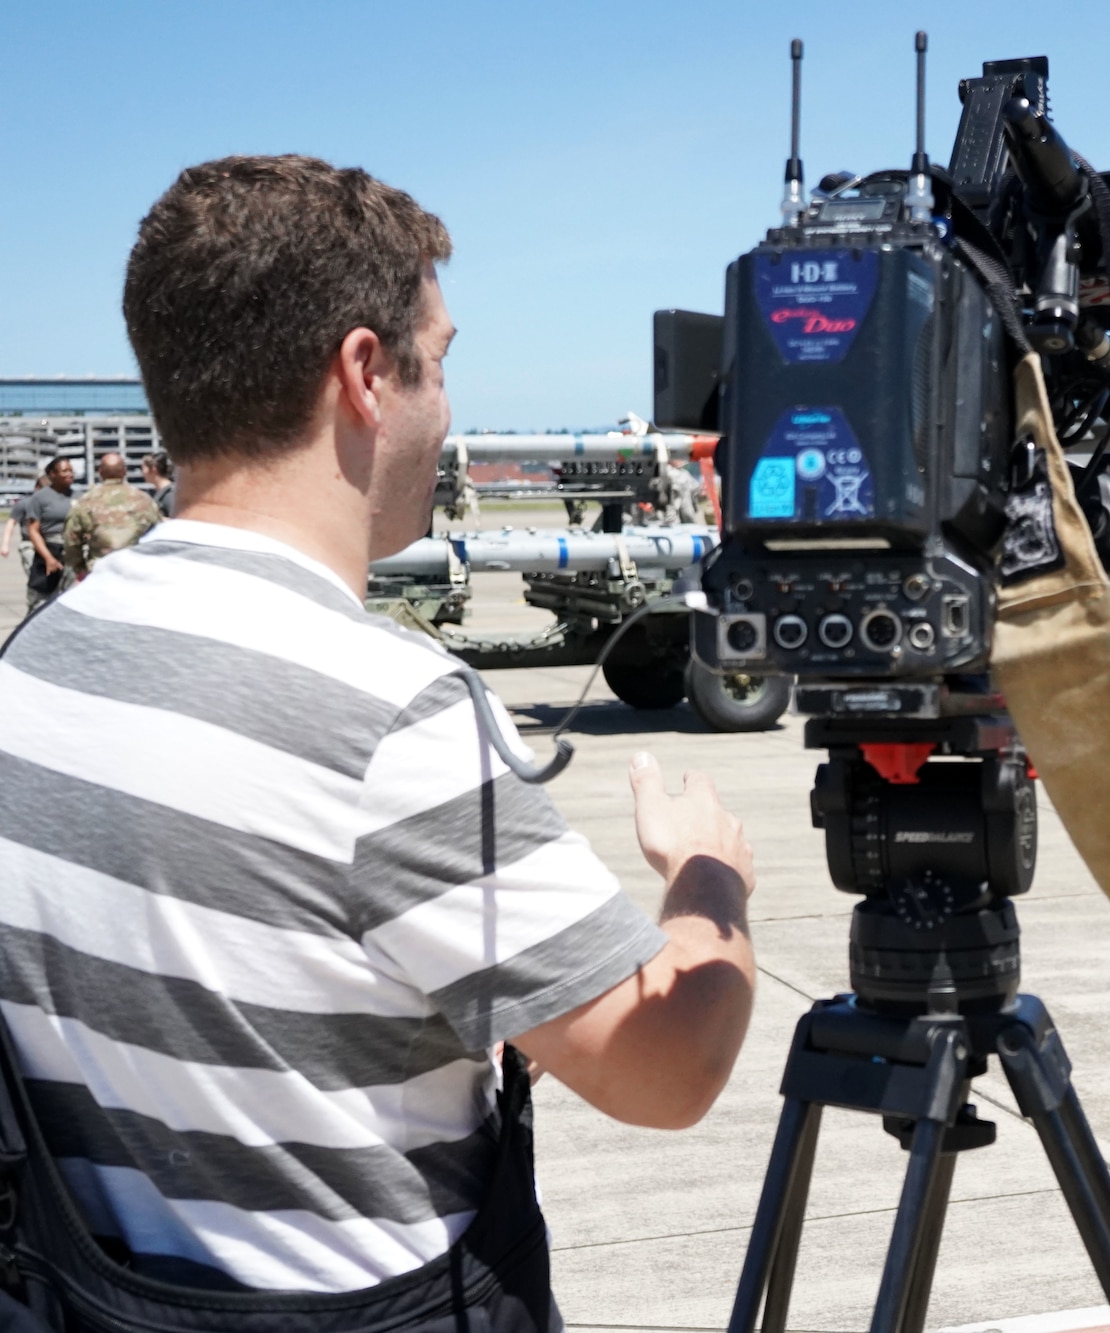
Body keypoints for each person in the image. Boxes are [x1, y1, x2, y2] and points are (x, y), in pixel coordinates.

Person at [0, 156, 758, 1322]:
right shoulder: (390, 716)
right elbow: (667, 1069)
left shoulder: (35, 666)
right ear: (365, 373)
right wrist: (708, 885)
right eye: (439, 359)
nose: (445, 403)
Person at [60, 451, 162, 581]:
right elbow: (159, 535)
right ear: (124, 471)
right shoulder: (144, 500)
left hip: (100, 573)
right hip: (136, 573)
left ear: (100, 472)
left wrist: (80, 568)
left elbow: (71, 540)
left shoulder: (86, 502)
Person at [17, 456, 74, 606]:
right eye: (64, 471)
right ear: (52, 475)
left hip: (73, 553)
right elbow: (33, 531)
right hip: (49, 549)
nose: (70, 474)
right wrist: (48, 558)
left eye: (71, 470)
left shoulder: (77, 496)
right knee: (40, 602)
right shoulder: (40, 498)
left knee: (70, 600)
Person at [141, 449, 177, 517]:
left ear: (153, 469)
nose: (142, 473)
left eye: (143, 468)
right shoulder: (159, 492)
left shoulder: (169, 494)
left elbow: (176, 520)